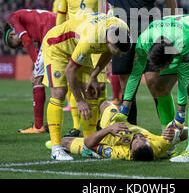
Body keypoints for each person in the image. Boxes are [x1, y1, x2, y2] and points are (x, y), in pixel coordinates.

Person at [120, 14, 189, 163]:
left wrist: (180, 115)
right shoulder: (143, 42)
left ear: (172, 58)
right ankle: (169, 146)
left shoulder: (183, 42)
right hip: (175, 36)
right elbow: (135, 75)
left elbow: (183, 77)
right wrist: (124, 111)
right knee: (159, 87)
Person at [41, 12, 131, 160]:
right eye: (118, 52)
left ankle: (88, 146)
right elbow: (70, 70)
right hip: (57, 47)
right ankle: (56, 148)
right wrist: (79, 101)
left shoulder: (121, 28)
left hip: (77, 48)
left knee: (92, 92)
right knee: (59, 92)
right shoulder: (91, 38)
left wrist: (93, 76)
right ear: (109, 40)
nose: (119, 56)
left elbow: (108, 53)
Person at [55, 0, 116, 138]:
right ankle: (76, 126)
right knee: (74, 83)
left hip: (96, 41)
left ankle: (99, 123)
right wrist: (59, 38)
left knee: (100, 85)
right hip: (74, 42)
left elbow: (117, 6)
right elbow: (61, 17)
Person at [55, 101, 188, 161]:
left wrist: (108, 129)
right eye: (144, 139)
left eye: (136, 141)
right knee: (104, 104)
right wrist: (178, 133)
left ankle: (96, 141)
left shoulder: (120, 153)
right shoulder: (158, 145)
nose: (139, 136)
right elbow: (187, 132)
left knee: (64, 142)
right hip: (120, 123)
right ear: (151, 146)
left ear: (131, 151)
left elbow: (88, 143)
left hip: (108, 133)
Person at [3, 9, 57, 133]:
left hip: (49, 30)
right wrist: (36, 67)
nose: (22, 45)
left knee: (37, 79)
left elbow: (26, 41)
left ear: (12, 34)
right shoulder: (31, 25)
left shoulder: (13, 18)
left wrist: (35, 69)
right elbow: (38, 50)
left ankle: (38, 127)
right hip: (56, 24)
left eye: (19, 44)